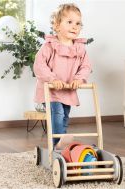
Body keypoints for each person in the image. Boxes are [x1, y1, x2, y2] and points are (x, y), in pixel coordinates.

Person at [33, 3, 92, 150]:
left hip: (67, 90)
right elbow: (39, 66)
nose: (75, 26)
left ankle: (61, 146)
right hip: (51, 90)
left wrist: (79, 78)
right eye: (70, 22)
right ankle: (56, 144)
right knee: (57, 113)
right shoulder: (49, 46)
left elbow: (86, 66)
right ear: (57, 25)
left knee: (65, 116)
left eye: (78, 23)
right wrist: (53, 79)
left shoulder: (80, 48)